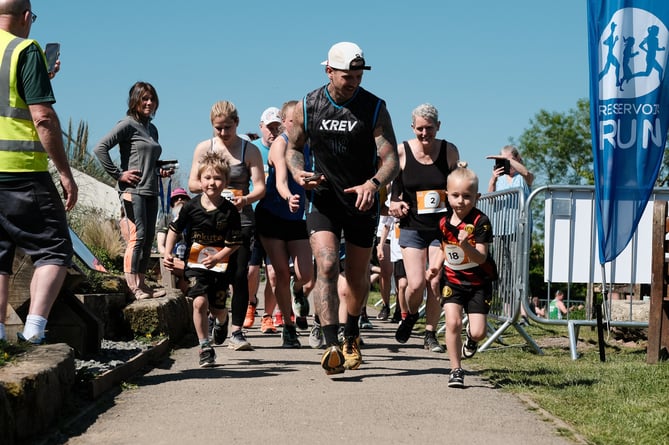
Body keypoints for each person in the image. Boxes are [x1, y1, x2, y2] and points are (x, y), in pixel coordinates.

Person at [286, 41, 399, 375]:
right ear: (329, 71)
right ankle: (332, 343)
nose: (354, 81)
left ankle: (352, 332)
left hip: (361, 200)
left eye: (359, 74)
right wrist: (297, 172)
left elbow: (390, 158)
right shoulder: (308, 105)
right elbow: (294, 149)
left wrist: (373, 184)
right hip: (324, 198)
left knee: (357, 276)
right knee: (327, 263)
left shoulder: (374, 107)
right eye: (347, 75)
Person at [0, 0, 78, 344]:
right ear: (26, 16)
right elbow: (42, 117)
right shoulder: (26, 50)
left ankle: (0, 335)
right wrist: (65, 171)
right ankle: (33, 333)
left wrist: (40, 77)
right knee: (55, 249)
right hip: (21, 171)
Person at [188, 100, 265, 351]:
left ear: (237, 123)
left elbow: (260, 187)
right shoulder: (204, 148)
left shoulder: (249, 150)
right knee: (210, 274)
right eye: (218, 128)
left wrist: (244, 198)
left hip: (240, 220)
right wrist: (216, 187)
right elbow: (192, 184)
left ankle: (237, 331)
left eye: (228, 128)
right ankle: (217, 318)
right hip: (209, 223)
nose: (223, 133)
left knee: (239, 274)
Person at [388, 103, 459, 353]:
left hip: (440, 228)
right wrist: (395, 203)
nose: (425, 133)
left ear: (438, 126)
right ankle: (409, 315)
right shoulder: (403, 151)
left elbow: (456, 185)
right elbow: (394, 187)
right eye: (420, 129)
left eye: (429, 128)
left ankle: (430, 334)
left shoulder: (449, 151)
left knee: (435, 280)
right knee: (415, 284)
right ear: (412, 128)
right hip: (412, 227)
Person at [164, 151, 242, 367]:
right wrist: (167, 252)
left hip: (221, 267)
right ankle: (205, 347)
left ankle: (222, 320)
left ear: (225, 181)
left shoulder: (230, 211)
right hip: (195, 266)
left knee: (217, 308)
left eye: (218, 178)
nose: (212, 183)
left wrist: (218, 257)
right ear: (199, 180)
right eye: (207, 178)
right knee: (199, 302)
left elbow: (235, 243)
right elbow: (174, 229)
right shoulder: (191, 207)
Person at [94, 81, 171, 300]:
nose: (148, 102)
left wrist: (160, 169)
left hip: (151, 189)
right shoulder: (127, 124)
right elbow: (100, 148)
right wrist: (118, 174)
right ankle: (132, 287)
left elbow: (147, 159)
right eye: (144, 98)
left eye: (152, 98)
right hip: (133, 191)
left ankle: (142, 283)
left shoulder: (151, 128)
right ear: (134, 101)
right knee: (137, 237)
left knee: (148, 240)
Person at [256, 100, 314, 347]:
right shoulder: (280, 144)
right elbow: (281, 180)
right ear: (285, 122)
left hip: (298, 218)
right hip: (273, 214)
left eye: (301, 120)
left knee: (305, 274)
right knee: (279, 272)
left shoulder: (312, 145)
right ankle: (288, 327)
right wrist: (289, 196)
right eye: (292, 120)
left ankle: (297, 289)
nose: (297, 125)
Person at [437, 167, 495, 388]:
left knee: (479, 332)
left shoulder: (481, 221)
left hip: (479, 282)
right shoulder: (443, 222)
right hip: (452, 280)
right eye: (455, 195)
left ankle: (471, 340)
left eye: (467, 196)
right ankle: (456, 369)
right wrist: (433, 268)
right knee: (452, 323)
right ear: (447, 195)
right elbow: (442, 248)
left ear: (477, 197)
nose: (461, 201)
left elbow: (480, 257)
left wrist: (463, 244)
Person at [246, 106, 281, 332]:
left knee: (274, 273)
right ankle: (251, 304)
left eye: (277, 127)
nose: (273, 132)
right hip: (253, 217)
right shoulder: (252, 150)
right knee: (251, 270)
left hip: (277, 218)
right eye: (269, 128)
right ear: (261, 127)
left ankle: (268, 315)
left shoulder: (285, 149)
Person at [156, 187, 191, 295]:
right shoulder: (166, 219)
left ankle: (183, 300)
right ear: (172, 203)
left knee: (191, 273)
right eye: (176, 198)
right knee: (189, 273)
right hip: (171, 259)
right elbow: (160, 246)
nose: (180, 200)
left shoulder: (194, 219)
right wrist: (169, 256)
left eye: (183, 198)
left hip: (190, 260)